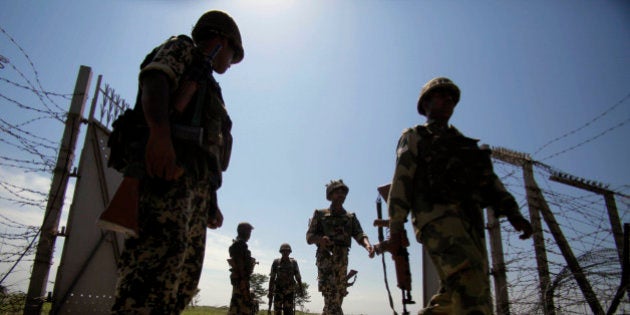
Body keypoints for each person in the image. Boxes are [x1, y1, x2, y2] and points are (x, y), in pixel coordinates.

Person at [110, 10, 244, 314]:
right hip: (165, 177)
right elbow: (155, 80)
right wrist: (159, 134)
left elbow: (207, 150)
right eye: (232, 54)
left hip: (195, 192)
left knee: (182, 282)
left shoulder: (210, 86)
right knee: (149, 278)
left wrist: (211, 200)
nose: (231, 62)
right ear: (222, 40)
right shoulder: (182, 49)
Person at [385, 77, 533, 315]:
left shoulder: (466, 145)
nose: (448, 100)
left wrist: (513, 212)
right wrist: (395, 227)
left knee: (455, 297)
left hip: (471, 221)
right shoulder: (416, 136)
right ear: (426, 103)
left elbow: (490, 182)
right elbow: (402, 180)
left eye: (452, 98)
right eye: (441, 95)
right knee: (471, 288)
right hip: (437, 219)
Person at [306, 179, 375, 315]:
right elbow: (309, 237)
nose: (341, 195)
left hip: (342, 262)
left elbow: (359, 234)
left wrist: (368, 246)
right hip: (326, 260)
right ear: (330, 195)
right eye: (338, 192)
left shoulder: (350, 217)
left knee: (336, 299)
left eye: (344, 193)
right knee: (332, 299)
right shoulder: (320, 214)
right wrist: (320, 240)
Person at [228, 222, 256, 315]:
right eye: (249, 231)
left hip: (239, 278)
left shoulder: (238, 243)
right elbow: (240, 263)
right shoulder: (240, 244)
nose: (250, 234)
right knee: (242, 306)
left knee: (237, 305)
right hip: (241, 278)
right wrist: (243, 280)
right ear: (244, 231)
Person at [268, 243, 303, 315]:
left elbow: (298, 277)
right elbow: (272, 278)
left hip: (289, 292)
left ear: (290, 252)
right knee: (277, 312)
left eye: (287, 251)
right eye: (283, 251)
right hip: (278, 291)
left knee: (288, 312)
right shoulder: (276, 262)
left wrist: (301, 289)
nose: (285, 252)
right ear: (281, 251)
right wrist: (270, 291)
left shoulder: (293, 263)